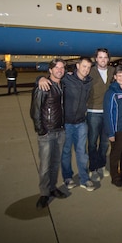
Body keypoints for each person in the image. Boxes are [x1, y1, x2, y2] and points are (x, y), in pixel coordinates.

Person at [38, 57, 95, 191]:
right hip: (66, 123)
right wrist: (40, 78)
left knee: (82, 152)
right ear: (77, 66)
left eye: (88, 67)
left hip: (81, 122)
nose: (86, 70)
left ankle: (84, 179)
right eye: (84, 66)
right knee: (66, 153)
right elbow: (52, 78)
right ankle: (68, 177)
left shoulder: (89, 82)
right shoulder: (67, 79)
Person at [30, 58, 67, 209]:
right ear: (50, 70)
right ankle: (44, 193)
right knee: (45, 165)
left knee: (55, 163)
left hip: (60, 130)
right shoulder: (43, 86)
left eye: (62, 68)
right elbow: (35, 110)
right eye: (57, 68)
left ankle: (52, 188)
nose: (60, 70)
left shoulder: (62, 85)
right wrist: (41, 130)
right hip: (47, 132)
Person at [87, 48, 115, 182]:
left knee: (104, 143)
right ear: (96, 59)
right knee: (92, 143)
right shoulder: (90, 72)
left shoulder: (112, 71)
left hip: (108, 112)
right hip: (93, 112)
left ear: (108, 59)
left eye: (105, 57)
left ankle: (101, 166)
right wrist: (41, 78)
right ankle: (93, 168)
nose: (103, 60)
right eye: (100, 57)